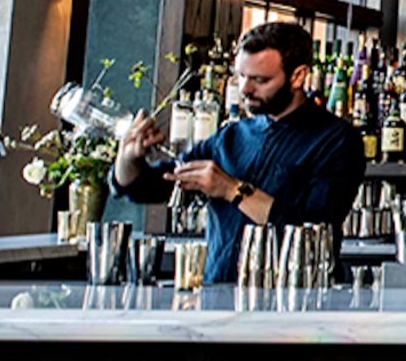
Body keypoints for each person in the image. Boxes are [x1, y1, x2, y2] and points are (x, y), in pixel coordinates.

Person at [111, 20, 365, 283]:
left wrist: (232, 189)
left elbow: (316, 233)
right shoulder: (230, 137)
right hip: (216, 294)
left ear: (298, 76)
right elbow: (143, 187)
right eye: (241, 76)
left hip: (289, 298)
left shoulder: (337, 140)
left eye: (260, 80)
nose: (245, 89)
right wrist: (128, 156)